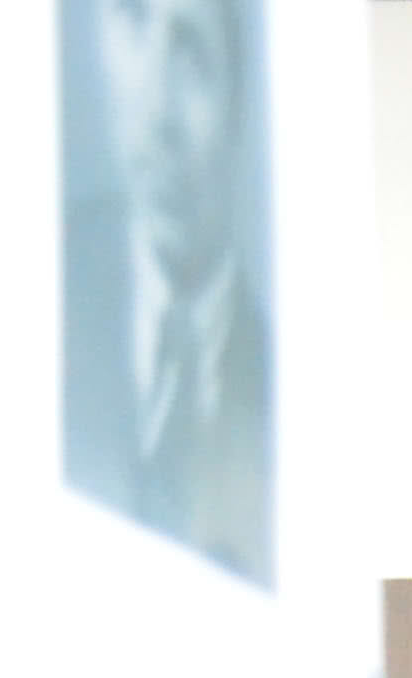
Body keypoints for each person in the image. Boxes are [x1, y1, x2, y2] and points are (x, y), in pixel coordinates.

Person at [58, 0, 273, 583]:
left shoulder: (280, 390)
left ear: (238, 107)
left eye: (192, 54)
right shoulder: (45, 303)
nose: (156, 109)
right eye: (133, 21)